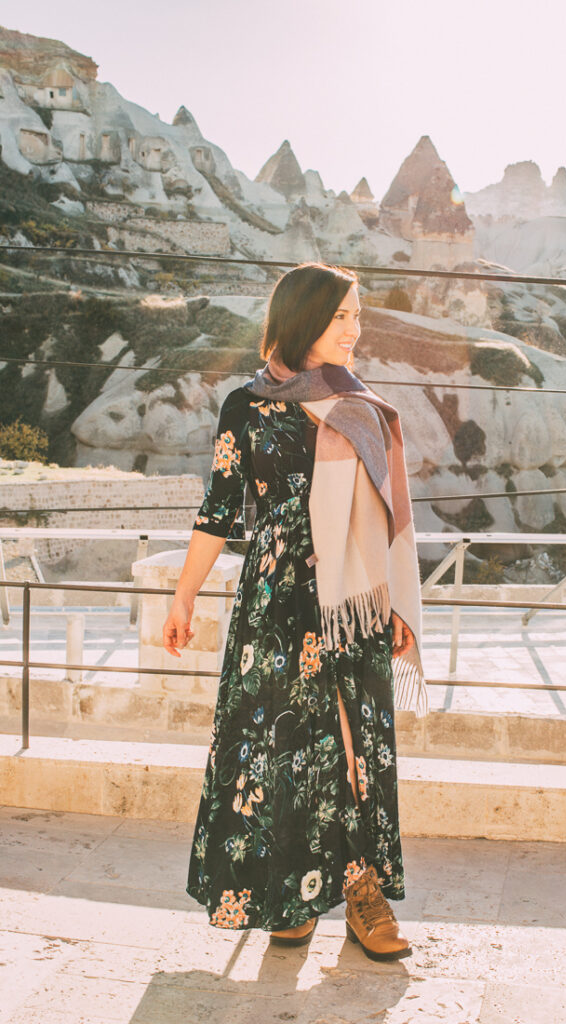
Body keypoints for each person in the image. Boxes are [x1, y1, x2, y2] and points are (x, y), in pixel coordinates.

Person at [163, 262, 428, 961]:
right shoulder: (244, 407)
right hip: (275, 602)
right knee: (280, 748)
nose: (356, 328)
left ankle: (363, 895)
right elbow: (219, 511)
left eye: (358, 314)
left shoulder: (363, 407)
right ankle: (295, 892)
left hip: (353, 604)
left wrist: (397, 602)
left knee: (350, 745)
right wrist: (185, 594)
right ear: (306, 318)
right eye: (343, 315)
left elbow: (389, 515)